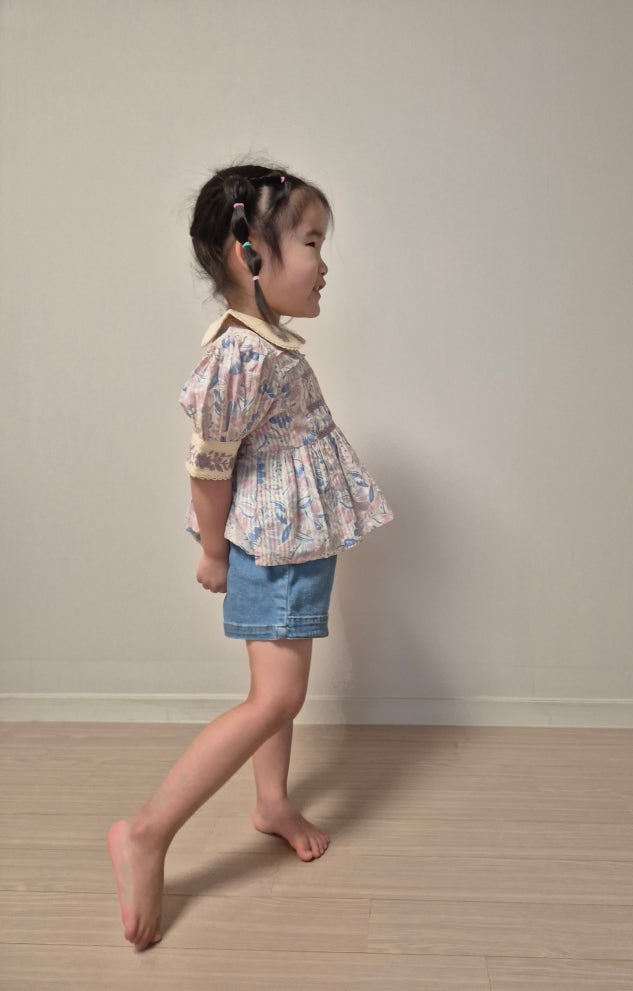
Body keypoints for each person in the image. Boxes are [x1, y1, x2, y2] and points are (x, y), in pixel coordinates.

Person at [107, 164, 393, 951]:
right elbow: (208, 467)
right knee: (274, 699)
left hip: (294, 540)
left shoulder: (268, 344)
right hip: (272, 549)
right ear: (251, 255)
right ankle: (147, 832)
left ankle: (270, 802)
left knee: (275, 695)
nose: (325, 263)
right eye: (312, 242)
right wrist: (212, 552)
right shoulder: (240, 356)